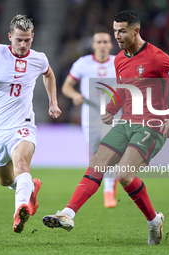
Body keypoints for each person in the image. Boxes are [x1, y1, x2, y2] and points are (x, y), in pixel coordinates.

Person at [42, 10, 169, 245]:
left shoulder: (158, 57)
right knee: (96, 163)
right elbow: (124, 90)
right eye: (115, 31)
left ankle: (153, 221)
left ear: (136, 31)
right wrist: (111, 108)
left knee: (123, 174)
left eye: (122, 31)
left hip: (151, 126)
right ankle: (68, 214)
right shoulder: (120, 59)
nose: (117, 36)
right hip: (126, 123)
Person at [0, 14, 61, 233]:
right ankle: (29, 187)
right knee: (5, 180)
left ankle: (19, 212)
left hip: (23, 125)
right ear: (10, 37)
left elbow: (49, 74)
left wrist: (53, 102)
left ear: (32, 37)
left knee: (22, 164)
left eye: (27, 40)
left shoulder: (39, 58)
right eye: (18, 40)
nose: (23, 45)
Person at [61, 29, 121, 208]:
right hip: (90, 115)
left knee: (108, 150)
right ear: (93, 45)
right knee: (95, 152)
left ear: (111, 45)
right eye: (99, 42)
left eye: (105, 42)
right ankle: (110, 183)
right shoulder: (83, 63)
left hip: (112, 113)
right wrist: (74, 95)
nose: (102, 45)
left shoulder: (118, 62)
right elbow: (66, 87)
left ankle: (108, 190)